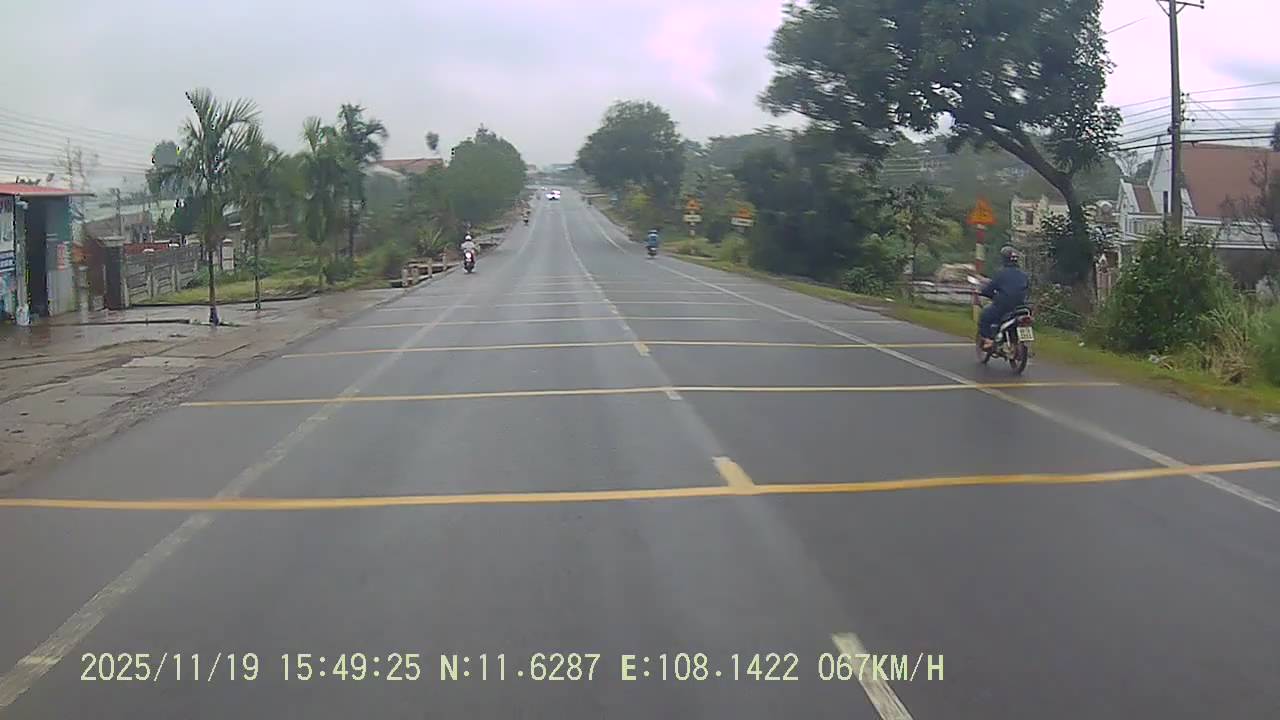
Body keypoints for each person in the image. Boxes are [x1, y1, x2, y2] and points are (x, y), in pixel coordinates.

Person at [977, 245, 1029, 351]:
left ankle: (989, 340)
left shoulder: (1001, 273)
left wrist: (983, 292)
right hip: (1020, 307)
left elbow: (989, 289)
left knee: (984, 316)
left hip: (1003, 306)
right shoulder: (1024, 275)